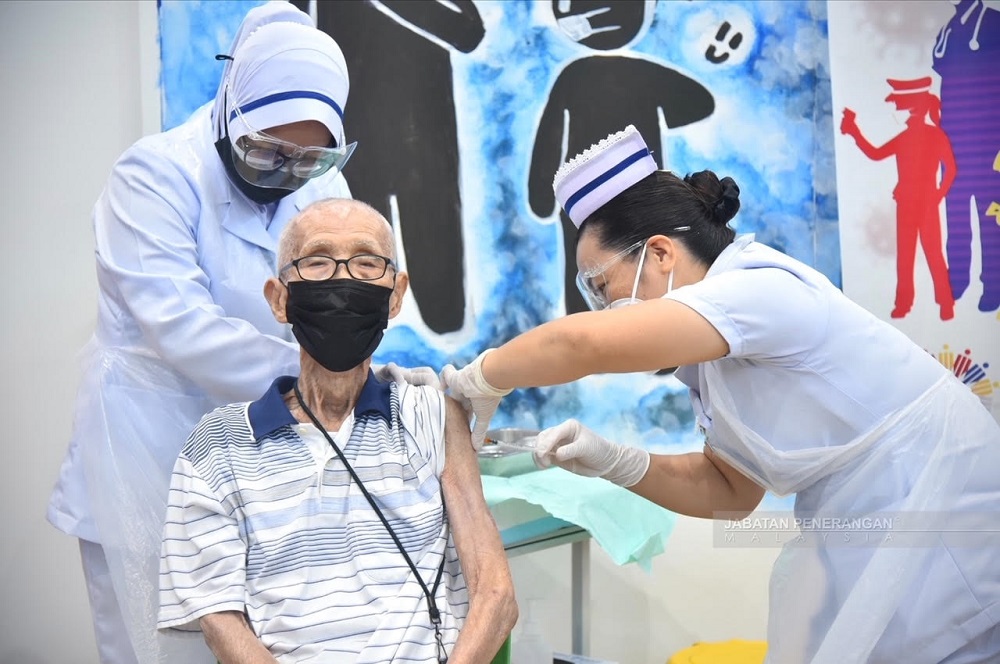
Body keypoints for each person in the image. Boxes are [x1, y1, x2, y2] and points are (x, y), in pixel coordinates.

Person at [442, 125, 1000, 663]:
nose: (604, 308)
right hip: (879, 540)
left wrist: (481, 377)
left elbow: (579, 344)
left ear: (660, 253)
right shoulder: (716, 360)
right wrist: (615, 461)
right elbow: (731, 492)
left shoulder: (756, 290)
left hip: (944, 525)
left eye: (601, 286)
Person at [44, 4, 408, 662]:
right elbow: (181, 327)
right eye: (267, 149)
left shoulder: (320, 184)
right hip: (147, 457)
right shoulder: (155, 175)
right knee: (165, 650)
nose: (284, 171)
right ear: (230, 106)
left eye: (307, 158)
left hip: (266, 468)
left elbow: (350, 294)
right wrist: (331, 382)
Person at [158, 198, 517, 663]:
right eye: (318, 261)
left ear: (395, 295)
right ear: (279, 299)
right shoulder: (217, 444)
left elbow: (495, 595)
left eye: (367, 263)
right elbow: (221, 623)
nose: (344, 279)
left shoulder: (432, 413)